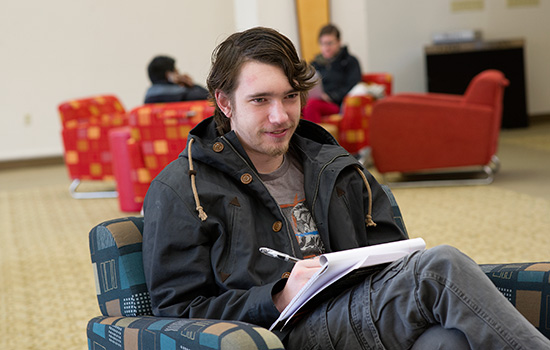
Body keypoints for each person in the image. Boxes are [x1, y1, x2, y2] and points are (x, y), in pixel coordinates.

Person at [142, 27, 550, 350]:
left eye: (290, 97)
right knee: (440, 268)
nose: (279, 116)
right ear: (225, 103)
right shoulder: (183, 188)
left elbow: (392, 252)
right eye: (260, 100)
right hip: (279, 334)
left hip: (358, 311)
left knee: (446, 342)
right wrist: (278, 296)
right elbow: (177, 313)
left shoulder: (333, 165)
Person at [302, 24, 362, 123]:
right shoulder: (315, 64)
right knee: (299, 105)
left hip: (337, 104)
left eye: (329, 43)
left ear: (339, 42)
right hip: (317, 100)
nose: (326, 48)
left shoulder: (350, 61)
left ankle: (314, 138)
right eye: (322, 44)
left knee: (311, 105)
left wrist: (331, 96)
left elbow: (353, 84)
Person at [144, 55, 209, 104]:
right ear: (169, 75)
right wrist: (189, 83)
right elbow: (208, 97)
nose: (179, 73)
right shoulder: (180, 93)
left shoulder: (148, 96)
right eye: (176, 71)